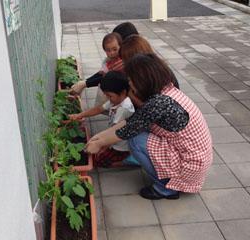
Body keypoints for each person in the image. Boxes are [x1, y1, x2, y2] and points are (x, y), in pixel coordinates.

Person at [85, 54, 213, 200]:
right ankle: (164, 177)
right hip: (192, 156)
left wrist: (99, 143)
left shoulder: (158, 103)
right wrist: (98, 139)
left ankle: (165, 188)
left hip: (190, 165)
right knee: (136, 132)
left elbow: (128, 130)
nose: (129, 83)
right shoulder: (164, 90)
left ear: (142, 80)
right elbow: (132, 122)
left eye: (131, 80)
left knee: (135, 140)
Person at [69, 71, 135, 167]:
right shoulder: (115, 100)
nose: (107, 98)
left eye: (109, 95)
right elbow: (99, 109)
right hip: (114, 137)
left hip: (121, 145)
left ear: (123, 92)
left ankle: (126, 161)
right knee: (94, 153)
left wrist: (104, 145)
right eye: (106, 95)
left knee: (98, 160)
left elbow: (116, 131)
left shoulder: (124, 108)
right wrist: (79, 115)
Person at [70, 22, 139, 95]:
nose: (112, 53)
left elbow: (109, 77)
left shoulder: (126, 61)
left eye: (115, 48)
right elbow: (103, 73)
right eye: (108, 50)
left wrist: (84, 84)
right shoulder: (120, 57)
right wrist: (84, 83)